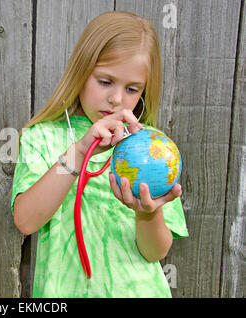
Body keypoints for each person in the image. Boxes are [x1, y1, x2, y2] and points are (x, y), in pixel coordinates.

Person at [11, 11, 188, 297]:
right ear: (80, 73)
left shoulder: (152, 152)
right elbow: (26, 220)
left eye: (132, 89)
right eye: (105, 81)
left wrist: (147, 215)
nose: (117, 99)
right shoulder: (42, 138)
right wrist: (79, 152)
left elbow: (155, 252)